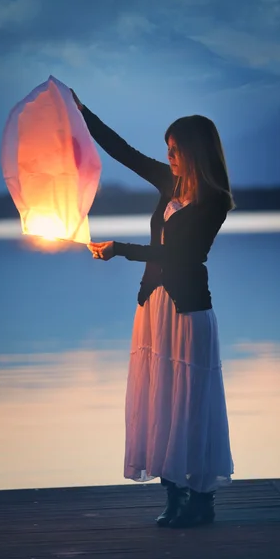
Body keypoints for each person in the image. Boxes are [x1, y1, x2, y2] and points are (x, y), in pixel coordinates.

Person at [71, 88, 235, 528]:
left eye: (176, 150)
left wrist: (118, 249)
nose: (171, 157)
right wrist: (83, 112)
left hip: (188, 311)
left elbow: (180, 255)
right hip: (154, 306)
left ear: (196, 151)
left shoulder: (214, 201)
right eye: (168, 150)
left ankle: (201, 500)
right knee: (161, 398)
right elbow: (122, 151)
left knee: (190, 402)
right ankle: (173, 494)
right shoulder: (170, 183)